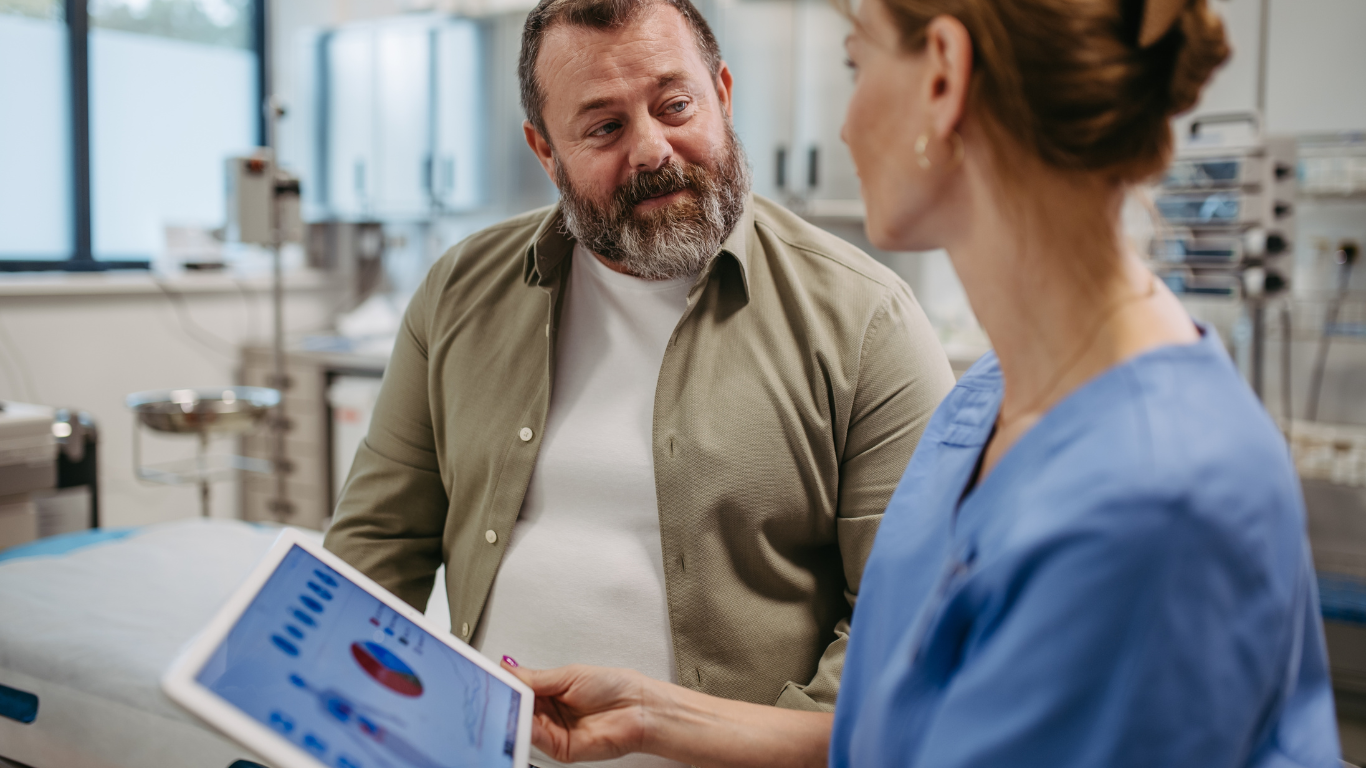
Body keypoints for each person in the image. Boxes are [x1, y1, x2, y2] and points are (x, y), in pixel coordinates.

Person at [497, 0, 1344, 765]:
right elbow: (894, 734)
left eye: (858, 68)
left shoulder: (1158, 498)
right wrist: (650, 715)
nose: (846, 125)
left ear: (942, 76)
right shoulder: (984, 408)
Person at [323, 0, 956, 765]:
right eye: (604, 127)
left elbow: (905, 631)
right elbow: (376, 549)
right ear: (545, 153)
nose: (653, 148)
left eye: (675, 105)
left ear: (722, 93)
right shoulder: (460, 293)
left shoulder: (866, 323)